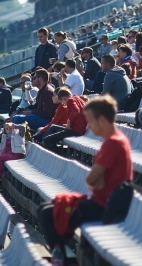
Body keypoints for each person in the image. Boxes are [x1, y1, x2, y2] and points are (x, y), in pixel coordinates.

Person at [38, 96, 133, 253]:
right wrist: (96, 180)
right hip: (100, 201)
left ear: (102, 120)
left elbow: (90, 179)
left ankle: (59, 257)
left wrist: (96, 180)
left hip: (105, 207)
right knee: (47, 209)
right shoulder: (114, 140)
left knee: (47, 213)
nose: (88, 126)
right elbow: (95, 179)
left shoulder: (114, 143)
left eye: (91, 121)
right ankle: (60, 253)